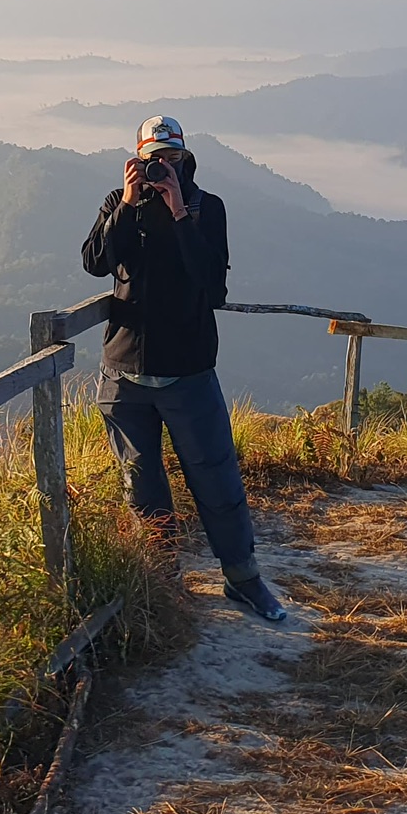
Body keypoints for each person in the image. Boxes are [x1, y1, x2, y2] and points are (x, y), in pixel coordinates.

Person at [81, 114, 287, 622]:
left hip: (188, 370)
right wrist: (128, 205)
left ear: (185, 158)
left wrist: (177, 213)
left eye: (170, 159)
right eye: (153, 160)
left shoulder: (205, 207)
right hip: (124, 372)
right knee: (141, 485)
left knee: (216, 478)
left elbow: (212, 284)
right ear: (136, 159)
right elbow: (95, 261)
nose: (162, 168)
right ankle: (162, 583)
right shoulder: (118, 203)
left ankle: (243, 579)